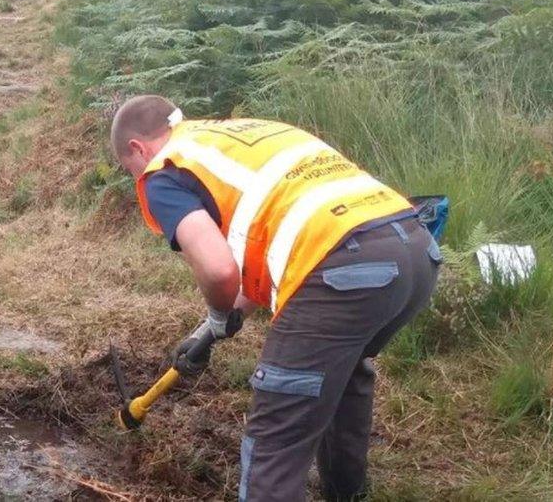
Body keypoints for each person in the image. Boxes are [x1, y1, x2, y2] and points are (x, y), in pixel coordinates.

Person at [110, 95, 442, 501]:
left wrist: (216, 313)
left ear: (137, 149)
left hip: (340, 267)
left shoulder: (165, 171)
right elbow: (268, 246)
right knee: (343, 370)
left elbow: (218, 269)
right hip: (413, 249)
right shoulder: (242, 135)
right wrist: (216, 326)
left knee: (275, 440)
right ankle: (347, 493)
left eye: (133, 171)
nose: (139, 177)